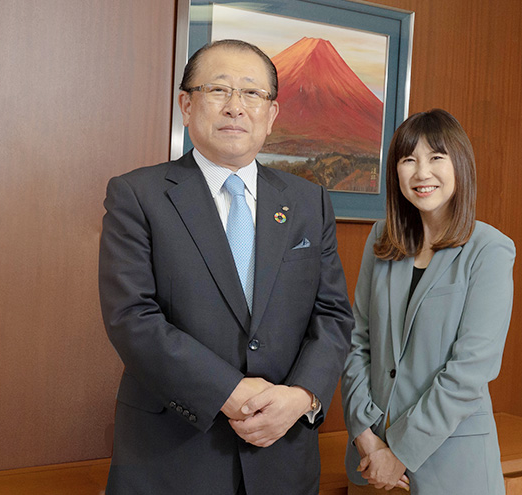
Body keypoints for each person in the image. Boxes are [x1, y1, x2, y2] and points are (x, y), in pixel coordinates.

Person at [98, 39, 354, 495]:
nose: (236, 107)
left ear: (271, 114)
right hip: (172, 457)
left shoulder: (308, 202)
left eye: (252, 94)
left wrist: (301, 396)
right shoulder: (137, 195)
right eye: (218, 89)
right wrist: (229, 393)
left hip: (283, 452)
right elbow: (132, 318)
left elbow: (333, 316)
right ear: (186, 104)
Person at [341, 109, 515, 494]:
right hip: (371, 465)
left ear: (460, 166)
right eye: (408, 160)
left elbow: (470, 370)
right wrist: (365, 436)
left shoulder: (489, 250)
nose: (422, 173)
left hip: (452, 469)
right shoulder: (382, 239)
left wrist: (398, 453)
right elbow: (357, 342)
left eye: (436, 158)